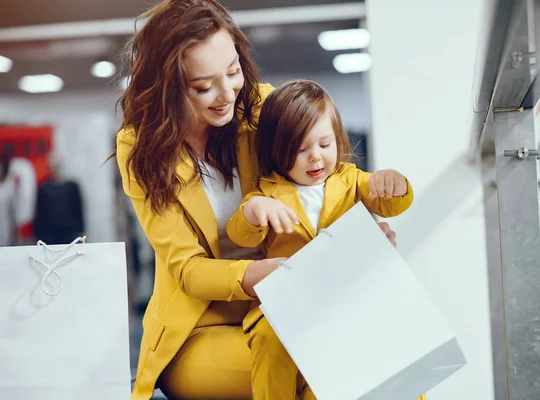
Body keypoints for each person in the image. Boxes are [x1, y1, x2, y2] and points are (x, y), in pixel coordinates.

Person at [114, 1, 398, 399]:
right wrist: (261, 274)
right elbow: (188, 271)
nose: (227, 93)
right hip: (201, 328)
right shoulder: (140, 146)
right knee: (315, 365)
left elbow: (319, 178)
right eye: (203, 86)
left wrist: (357, 233)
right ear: (168, 88)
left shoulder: (259, 106)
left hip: (284, 308)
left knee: (379, 356)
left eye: (233, 72)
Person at [226, 80, 423, 400]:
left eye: (324, 144)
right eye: (300, 150)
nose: (315, 158)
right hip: (287, 302)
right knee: (268, 339)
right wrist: (254, 210)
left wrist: (395, 183)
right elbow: (240, 232)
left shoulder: (351, 180)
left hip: (346, 296)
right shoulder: (266, 191)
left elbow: (389, 202)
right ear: (276, 152)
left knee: (389, 335)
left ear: (338, 139)